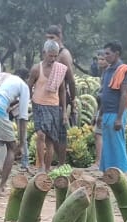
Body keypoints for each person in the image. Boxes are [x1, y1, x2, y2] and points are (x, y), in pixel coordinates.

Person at [29, 40, 71, 173]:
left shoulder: (59, 69)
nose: (52, 59)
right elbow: (28, 87)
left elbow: (63, 90)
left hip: (53, 106)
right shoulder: (36, 69)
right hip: (39, 106)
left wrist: (64, 111)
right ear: (44, 53)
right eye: (50, 55)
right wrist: (30, 101)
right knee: (40, 135)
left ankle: (47, 168)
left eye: (55, 56)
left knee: (50, 139)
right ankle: (41, 166)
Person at [98, 41, 127, 173]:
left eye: (108, 54)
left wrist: (119, 118)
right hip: (107, 112)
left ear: (117, 54)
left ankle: (121, 172)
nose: (106, 56)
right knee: (108, 145)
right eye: (104, 54)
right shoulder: (108, 70)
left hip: (116, 113)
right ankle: (109, 172)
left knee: (117, 145)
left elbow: (123, 95)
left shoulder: (123, 71)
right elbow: (105, 93)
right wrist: (100, 114)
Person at [45, 25, 80, 163]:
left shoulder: (64, 54)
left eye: (52, 38)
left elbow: (70, 81)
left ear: (59, 37)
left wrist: (72, 100)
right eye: (47, 38)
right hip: (48, 97)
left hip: (61, 97)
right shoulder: (48, 53)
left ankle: (62, 163)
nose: (49, 40)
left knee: (60, 132)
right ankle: (57, 161)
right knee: (50, 132)